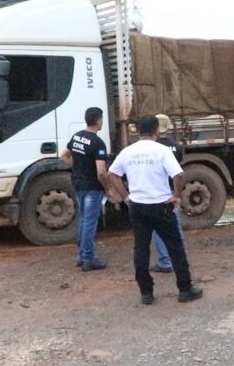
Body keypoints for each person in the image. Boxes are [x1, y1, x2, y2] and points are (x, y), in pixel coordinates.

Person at [107, 115, 203, 305]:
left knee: (141, 249)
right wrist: (176, 196)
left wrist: (126, 196)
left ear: (137, 131)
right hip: (161, 206)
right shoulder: (162, 151)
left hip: (137, 206)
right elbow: (178, 175)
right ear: (157, 131)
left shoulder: (128, 152)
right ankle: (185, 289)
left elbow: (112, 174)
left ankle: (146, 293)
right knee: (175, 247)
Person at [61, 107, 109, 272]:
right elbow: (101, 172)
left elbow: (64, 155)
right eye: (101, 119)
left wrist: (77, 168)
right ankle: (88, 259)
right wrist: (108, 189)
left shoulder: (77, 137)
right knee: (90, 222)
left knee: (83, 220)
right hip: (92, 187)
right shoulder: (97, 143)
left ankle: (82, 256)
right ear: (98, 120)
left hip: (78, 183)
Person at [150, 114, 184, 274]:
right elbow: (178, 171)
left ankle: (165, 261)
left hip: (157, 192)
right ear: (168, 127)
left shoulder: (152, 147)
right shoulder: (176, 147)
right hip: (171, 191)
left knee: (158, 228)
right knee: (175, 226)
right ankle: (180, 259)